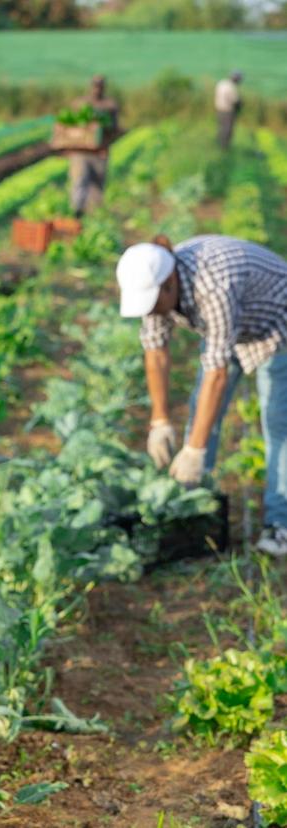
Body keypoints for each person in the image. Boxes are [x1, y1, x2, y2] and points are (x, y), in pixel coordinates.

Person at [116, 234, 287, 557]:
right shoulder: (159, 284)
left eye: (153, 302)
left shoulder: (214, 285)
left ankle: (280, 525)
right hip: (237, 324)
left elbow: (217, 373)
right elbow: (155, 351)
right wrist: (160, 420)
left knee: (278, 424)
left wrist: (194, 449)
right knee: (202, 407)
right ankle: (192, 505)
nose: (150, 310)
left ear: (169, 284)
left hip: (278, 323)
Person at [67, 74, 119, 217]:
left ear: (104, 87)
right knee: (79, 181)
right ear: (91, 86)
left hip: (99, 152)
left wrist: (105, 144)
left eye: (100, 86)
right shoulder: (79, 103)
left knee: (97, 184)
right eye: (95, 85)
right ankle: (77, 213)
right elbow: (69, 128)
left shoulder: (109, 105)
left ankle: (94, 215)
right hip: (80, 151)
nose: (97, 89)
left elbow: (114, 130)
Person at [215, 71, 243, 150]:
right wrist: (240, 106)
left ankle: (218, 143)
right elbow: (235, 101)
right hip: (228, 110)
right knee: (227, 129)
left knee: (220, 127)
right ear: (237, 79)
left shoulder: (222, 83)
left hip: (219, 108)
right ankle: (224, 147)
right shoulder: (232, 87)